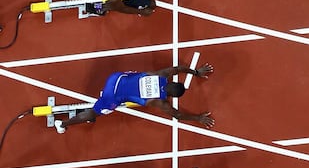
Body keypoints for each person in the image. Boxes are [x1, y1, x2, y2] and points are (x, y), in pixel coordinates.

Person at [54, 62, 214, 134]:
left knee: (131, 77)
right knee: (94, 113)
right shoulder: (159, 102)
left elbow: (178, 68)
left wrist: (196, 72)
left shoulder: (161, 75)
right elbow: (177, 115)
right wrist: (198, 118)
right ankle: (63, 123)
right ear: (171, 97)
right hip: (112, 96)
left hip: (115, 78)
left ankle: (101, 103)